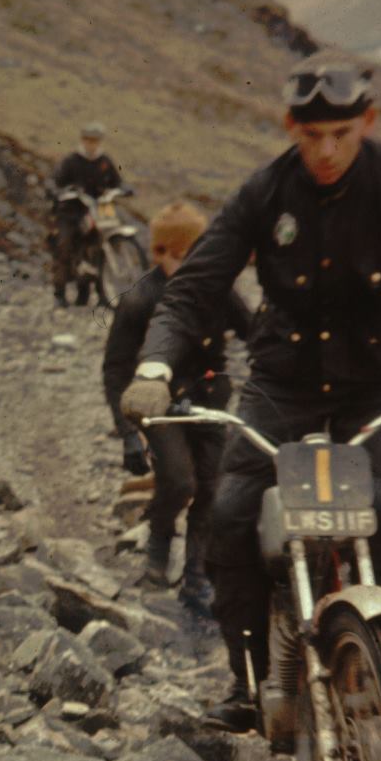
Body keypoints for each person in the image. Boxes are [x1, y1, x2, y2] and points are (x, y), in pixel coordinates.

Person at [121, 52, 381, 730]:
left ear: (368, 121)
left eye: (341, 133)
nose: (326, 151)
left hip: (379, 382)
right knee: (232, 512)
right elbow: (194, 287)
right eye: (312, 135)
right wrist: (155, 368)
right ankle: (249, 681)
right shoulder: (266, 192)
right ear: (290, 126)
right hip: (284, 383)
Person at [103, 200, 252, 615]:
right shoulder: (138, 300)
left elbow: (254, 332)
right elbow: (116, 369)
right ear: (160, 252)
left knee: (211, 486)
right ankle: (157, 552)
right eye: (184, 256)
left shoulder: (219, 290)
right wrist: (128, 433)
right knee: (179, 480)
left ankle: (196, 574)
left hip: (209, 401)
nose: (194, 264)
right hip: (160, 405)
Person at [50, 122, 124, 306]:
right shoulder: (71, 160)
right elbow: (57, 182)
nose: (91, 144)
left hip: (97, 211)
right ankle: (59, 293)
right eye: (88, 140)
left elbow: (117, 181)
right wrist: (64, 192)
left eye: (95, 140)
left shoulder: (104, 161)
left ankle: (100, 294)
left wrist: (122, 190)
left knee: (100, 245)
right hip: (71, 212)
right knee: (65, 244)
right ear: (82, 140)